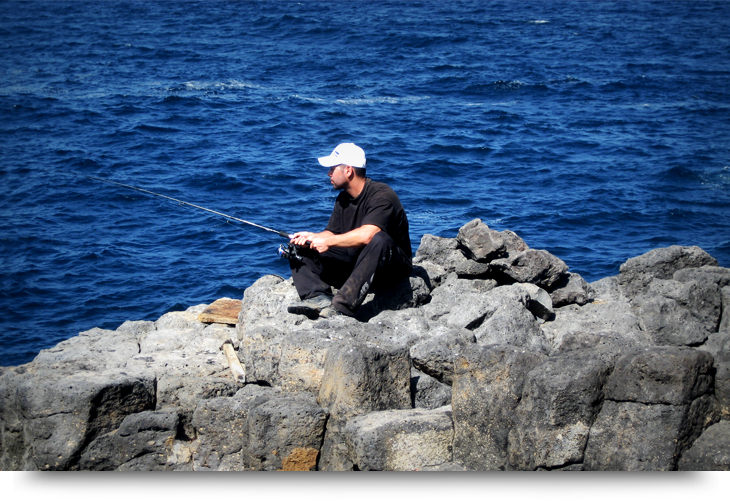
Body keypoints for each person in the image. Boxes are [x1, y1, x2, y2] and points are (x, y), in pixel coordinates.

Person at [287, 143, 412, 318]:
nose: (329, 174)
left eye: (332, 169)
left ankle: (341, 307)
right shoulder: (343, 199)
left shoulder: (382, 195)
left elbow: (368, 235)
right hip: (357, 263)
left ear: (348, 171)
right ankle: (316, 296)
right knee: (299, 246)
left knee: (379, 239)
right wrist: (313, 237)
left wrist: (328, 241)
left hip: (390, 270)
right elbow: (332, 233)